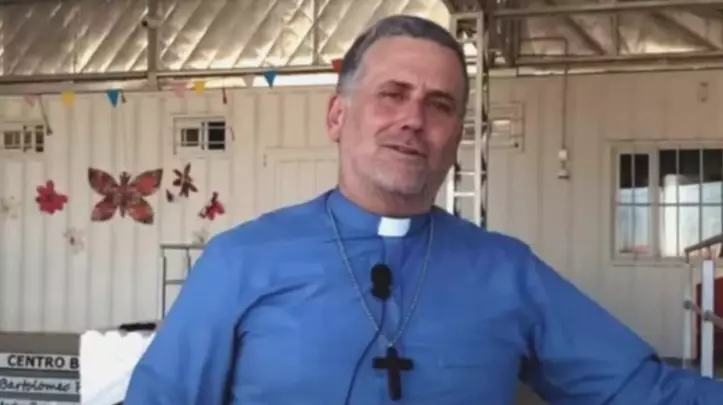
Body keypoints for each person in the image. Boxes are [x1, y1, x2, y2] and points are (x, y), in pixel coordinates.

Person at [124, 14, 723, 405]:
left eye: (440, 105)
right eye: (392, 95)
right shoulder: (240, 262)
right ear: (337, 116)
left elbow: (638, 391)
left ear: (456, 135)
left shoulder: (506, 270)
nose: (413, 119)